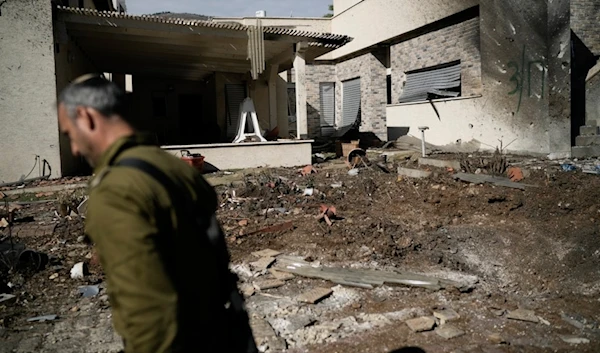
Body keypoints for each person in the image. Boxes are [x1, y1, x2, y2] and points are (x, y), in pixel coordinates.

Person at [57, 74, 257, 353]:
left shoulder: (116, 191)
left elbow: (148, 315)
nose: (75, 148)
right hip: (223, 331)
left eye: (69, 135)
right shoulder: (171, 167)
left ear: (86, 116)